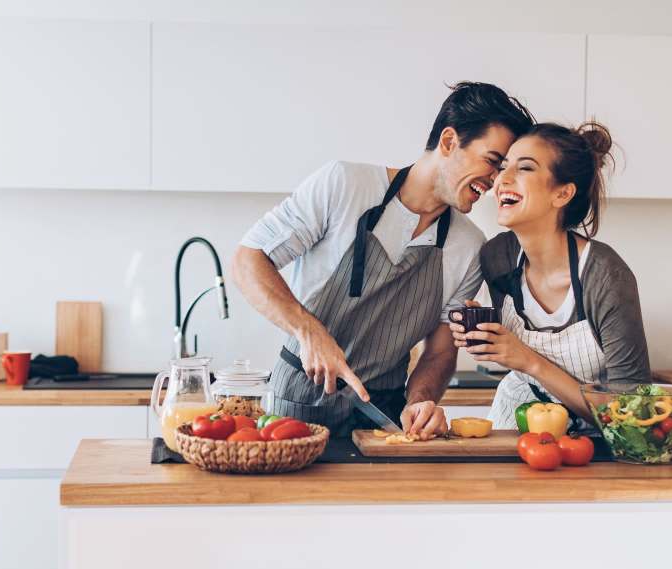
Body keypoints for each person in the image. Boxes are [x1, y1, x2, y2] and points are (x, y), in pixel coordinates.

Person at [232, 82, 535, 438]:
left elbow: (439, 351)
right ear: (449, 141)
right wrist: (308, 331)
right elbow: (248, 258)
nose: (498, 181)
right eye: (493, 162)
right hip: (298, 404)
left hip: (383, 415)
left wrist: (420, 402)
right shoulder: (344, 185)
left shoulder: (469, 246)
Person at [450, 121, 650, 429]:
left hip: (596, 438)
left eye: (525, 168)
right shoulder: (497, 256)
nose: (502, 178)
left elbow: (633, 415)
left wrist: (527, 360)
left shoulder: (605, 276)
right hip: (515, 419)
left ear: (563, 194)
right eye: (503, 167)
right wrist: (484, 332)